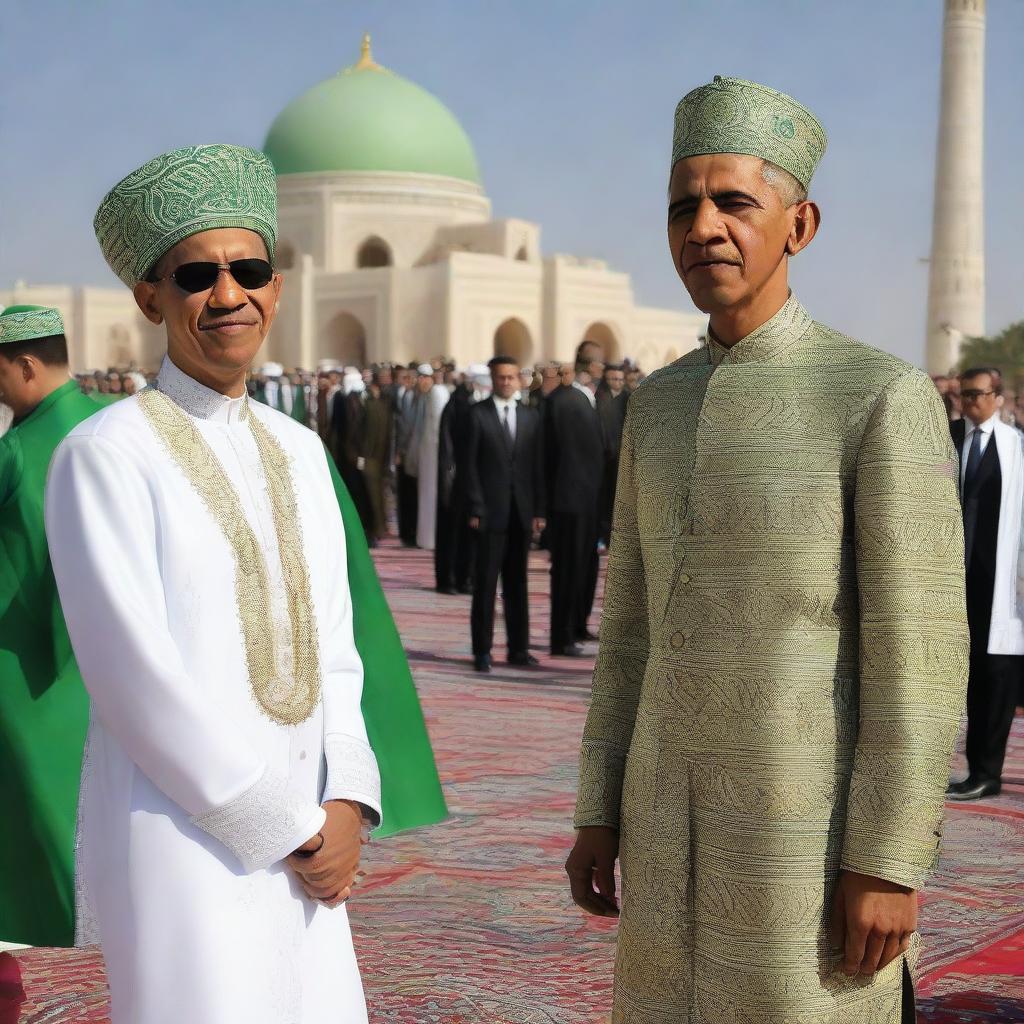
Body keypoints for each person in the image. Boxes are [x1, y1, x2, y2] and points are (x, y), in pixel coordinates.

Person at [565, 77, 968, 1023]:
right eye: (682, 207)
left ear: (800, 225)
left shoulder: (874, 395)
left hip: (806, 836)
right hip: (663, 830)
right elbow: (627, 629)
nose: (703, 227)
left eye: (734, 202)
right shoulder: (655, 407)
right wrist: (600, 808)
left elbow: (920, 654)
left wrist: (889, 856)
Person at [48, 143, 380, 1023]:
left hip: (315, 836)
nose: (227, 295)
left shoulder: (301, 451)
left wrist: (345, 799)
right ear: (149, 297)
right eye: (197, 275)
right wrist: (285, 826)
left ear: (276, 286)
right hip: (184, 838)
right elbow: (132, 680)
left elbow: (338, 648)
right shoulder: (105, 454)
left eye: (249, 269)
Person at [0, 305, 100, 947]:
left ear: (28, 364)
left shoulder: (16, 451)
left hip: (22, 667)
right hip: (112, 667)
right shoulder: (124, 426)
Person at [947, 368, 1024, 801]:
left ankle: (986, 771)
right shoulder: (949, 438)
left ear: (997, 396)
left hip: (1002, 586)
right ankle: (971, 769)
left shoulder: (1017, 446)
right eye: (963, 395)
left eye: (976, 394)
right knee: (965, 676)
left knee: (996, 678)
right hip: (956, 579)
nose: (968, 403)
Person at [465, 356, 546, 672]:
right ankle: (482, 651)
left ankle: (519, 649)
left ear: (519, 379)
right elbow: (469, 467)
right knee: (485, 584)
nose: (507, 382)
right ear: (493, 379)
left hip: (521, 512)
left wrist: (539, 509)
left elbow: (538, 466)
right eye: (501, 377)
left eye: (512, 377)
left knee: (517, 583)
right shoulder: (477, 415)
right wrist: (475, 507)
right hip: (489, 512)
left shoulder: (530, 417)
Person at [545, 358, 603, 656]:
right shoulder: (568, 402)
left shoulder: (574, 400)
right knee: (569, 570)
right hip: (573, 500)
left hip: (578, 499)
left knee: (580, 568)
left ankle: (573, 628)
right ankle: (564, 635)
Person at [415, 365, 449, 550]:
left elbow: (438, 427)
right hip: (428, 453)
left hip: (435, 453)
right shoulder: (428, 395)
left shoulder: (437, 393)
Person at [597, 364, 628, 545]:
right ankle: (604, 534)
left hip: (621, 458)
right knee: (605, 497)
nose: (617, 383)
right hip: (603, 457)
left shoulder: (628, 398)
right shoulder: (599, 399)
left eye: (620, 379)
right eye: (613, 379)